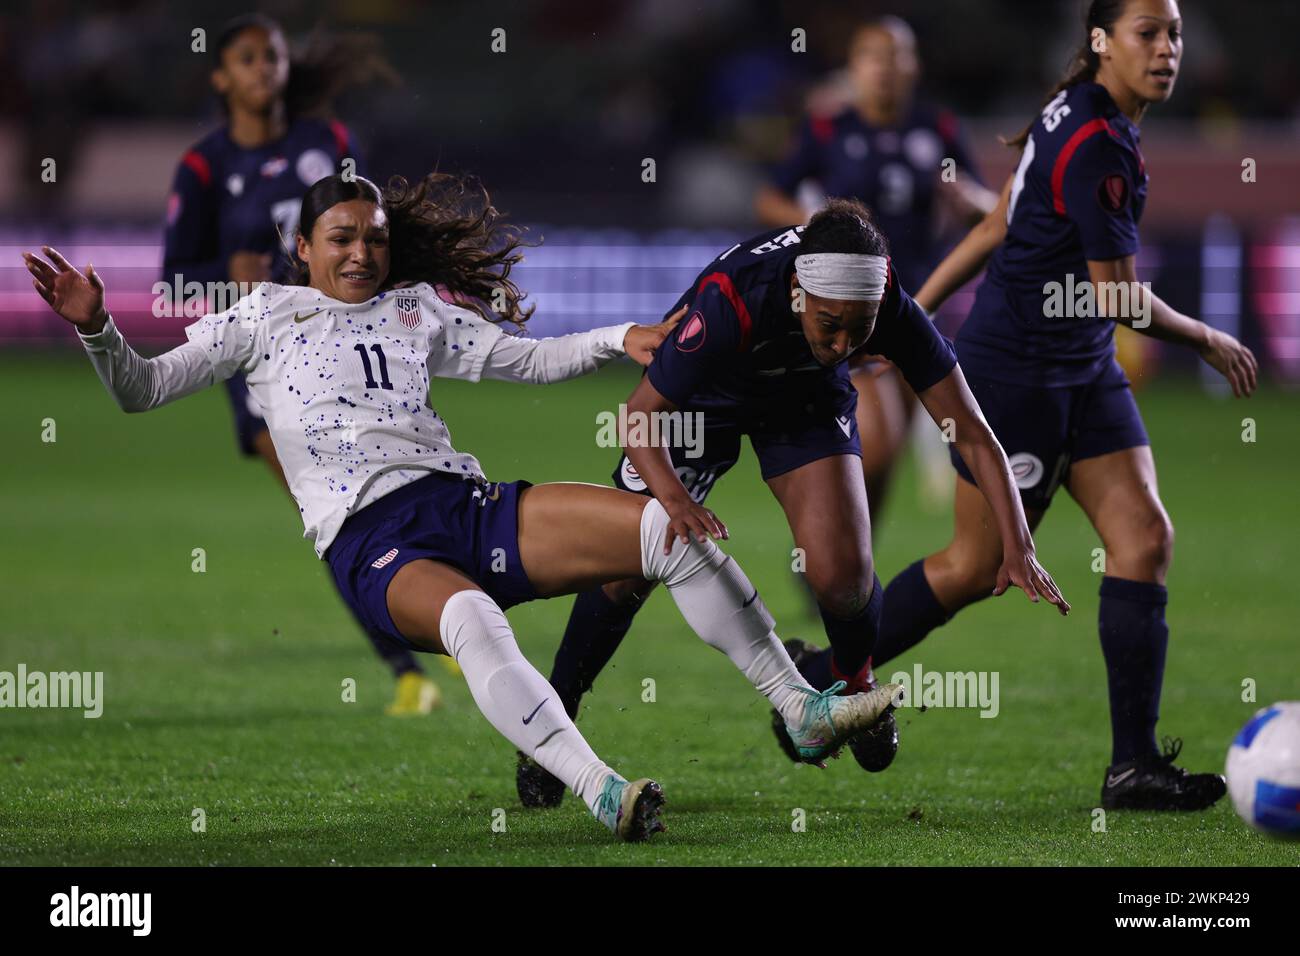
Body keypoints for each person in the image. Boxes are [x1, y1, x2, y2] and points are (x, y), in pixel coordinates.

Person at [24, 172, 902, 843]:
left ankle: (801, 707)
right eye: (342, 239)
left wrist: (614, 337)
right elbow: (141, 391)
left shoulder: (417, 310)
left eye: (373, 237)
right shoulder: (258, 316)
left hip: (465, 504)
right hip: (372, 543)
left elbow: (525, 361)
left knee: (664, 531)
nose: (362, 253)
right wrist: (96, 328)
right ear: (304, 249)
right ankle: (603, 788)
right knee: (475, 620)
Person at [516, 198, 1070, 809]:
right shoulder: (733, 301)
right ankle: (553, 722)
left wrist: (1018, 544)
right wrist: (674, 502)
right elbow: (640, 418)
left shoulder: (885, 307)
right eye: (830, 324)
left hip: (802, 403)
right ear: (800, 293)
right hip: (703, 401)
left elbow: (969, 428)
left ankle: (853, 687)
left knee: (843, 576)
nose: (841, 343)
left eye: (858, 330)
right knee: (622, 572)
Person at [873, 0, 1258, 810]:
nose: (1165, 50)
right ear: (1100, 41)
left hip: (1081, 368)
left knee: (1144, 536)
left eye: (1174, 34)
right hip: (1016, 378)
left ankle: (1133, 767)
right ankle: (819, 674)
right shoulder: (1095, 143)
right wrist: (1207, 339)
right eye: (1146, 33)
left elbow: (998, 227)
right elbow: (1116, 297)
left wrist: (903, 312)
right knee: (974, 568)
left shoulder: (1077, 110)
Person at [162, 14, 439, 714]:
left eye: (273, 57)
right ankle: (407, 669)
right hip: (263, 362)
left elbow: (374, 232)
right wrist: (226, 275)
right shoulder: (203, 167)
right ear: (221, 77)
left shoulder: (329, 143)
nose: (264, 69)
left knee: (399, 486)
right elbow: (173, 285)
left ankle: (440, 623)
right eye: (248, 59)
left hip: (349, 349)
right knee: (331, 511)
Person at [756, 16, 998, 522]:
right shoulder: (828, 128)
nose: (885, 68)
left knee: (887, 459)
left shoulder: (939, 128)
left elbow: (988, 210)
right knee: (880, 444)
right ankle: (827, 554)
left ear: (914, 66)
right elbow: (769, 198)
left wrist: (966, 197)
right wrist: (817, 226)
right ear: (854, 67)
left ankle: (849, 563)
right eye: (873, 56)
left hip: (916, 306)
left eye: (897, 56)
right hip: (851, 305)